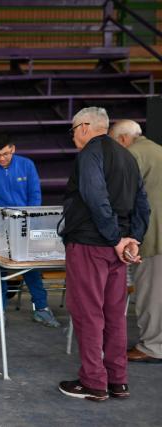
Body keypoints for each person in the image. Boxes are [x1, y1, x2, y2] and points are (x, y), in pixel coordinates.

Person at [58, 107, 149, 401]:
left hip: (90, 245)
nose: (73, 136)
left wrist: (113, 238)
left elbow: (96, 198)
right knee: (114, 315)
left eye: (72, 130)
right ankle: (117, 380)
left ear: (84, 127)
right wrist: (130, 239)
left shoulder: (89, 155)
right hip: (117, 249)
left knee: (88, 314)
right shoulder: (127, 156)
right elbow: (142, 204)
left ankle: (94, 382)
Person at [0, 134, 60, 328]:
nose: (2, 158)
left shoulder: (27, 165)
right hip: (0, 229)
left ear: (13, 148)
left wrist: (32, 224)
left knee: (32, 269)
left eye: (5, 153)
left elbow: (35, 196)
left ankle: (42, 308)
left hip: (26, 226)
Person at [109, 120, 162, 364]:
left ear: (121, 139)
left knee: (151, 294)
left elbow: (122, 197)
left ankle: (152, 346)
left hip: (152, 236)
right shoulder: (157, 149)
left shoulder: (131, 155)